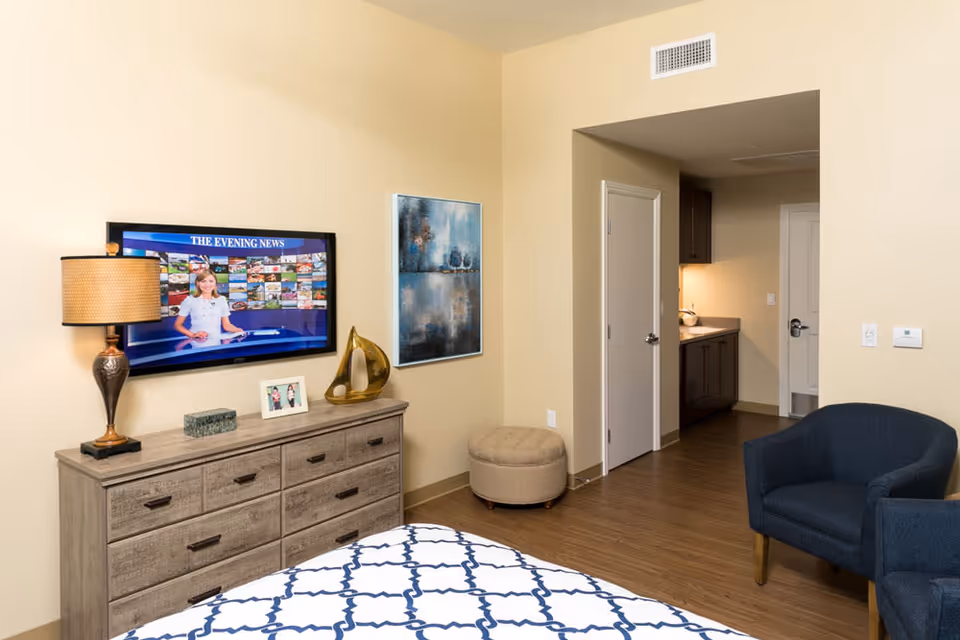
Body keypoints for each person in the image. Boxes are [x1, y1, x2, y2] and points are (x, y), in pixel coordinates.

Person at [174, 270, 244, 342]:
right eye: (203, 281)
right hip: (197, 342)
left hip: (216, 343)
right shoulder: (189, 300)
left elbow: (227, 325)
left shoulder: (221, 300)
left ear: (215, 283)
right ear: (198, 283)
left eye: (211, 281)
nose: (207, 285)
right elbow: (178, 325)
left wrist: (238, 330)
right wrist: (193, 335)